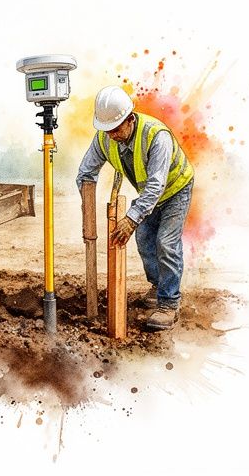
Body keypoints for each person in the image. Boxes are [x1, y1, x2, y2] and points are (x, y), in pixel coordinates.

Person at [76, 86, 194, 331]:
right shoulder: (104, 138)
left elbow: (156, 184)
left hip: (175, 189)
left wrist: (131, 219)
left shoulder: (155, 135)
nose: (113, 136)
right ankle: (157, 285)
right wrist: (87, 208)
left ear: (130, 119)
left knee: (166, 243)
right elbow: (86, 173)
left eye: (117, 129)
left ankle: (169, 304)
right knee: (144, 240)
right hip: (150, 195)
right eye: (107, 131)